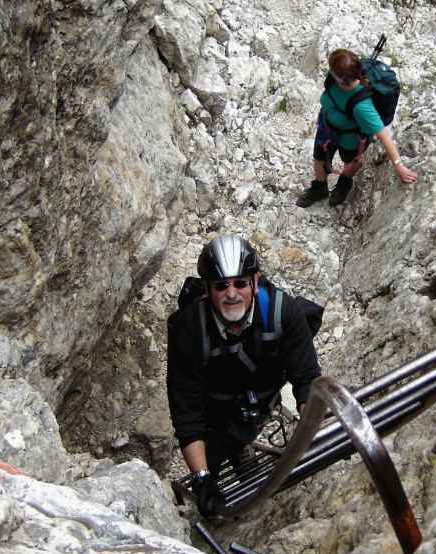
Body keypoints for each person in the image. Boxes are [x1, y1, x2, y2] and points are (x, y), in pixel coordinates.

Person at [167, 234, 322, 519]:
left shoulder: (282, 313)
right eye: (221, 286)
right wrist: (202, 479)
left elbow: (307, 379)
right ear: (207, 288)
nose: (232, 294)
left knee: (242, 432)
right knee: (212, 461)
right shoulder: (189, 330)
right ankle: (216, 465)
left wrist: (311, 430)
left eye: (240, 283)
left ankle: (240, 447)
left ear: (254, 280)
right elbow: (186, 411)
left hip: (258, 403)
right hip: (212, 413)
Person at [297, 48, 418, 208]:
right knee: (319, 158)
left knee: (350, 162)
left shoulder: (362, 106)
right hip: (327, 128)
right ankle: (320, 188)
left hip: (351, 139)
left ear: (340, 77)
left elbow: (383, 136)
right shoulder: (333, 78)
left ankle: (344, 182)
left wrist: (399, 166)